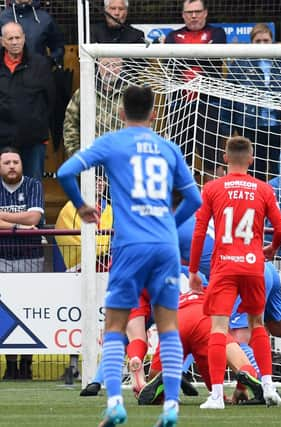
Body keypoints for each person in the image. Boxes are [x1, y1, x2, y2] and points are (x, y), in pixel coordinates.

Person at [57, 85, 202, 427]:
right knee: (168, 328)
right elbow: (194, 199)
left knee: (115, 327)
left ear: (121, 113)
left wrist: (81, 205)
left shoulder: (112, 142)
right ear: (154, 114)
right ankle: (171, 408)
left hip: (130, 245)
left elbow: (64, 172)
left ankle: (115, 403)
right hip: (166, 246)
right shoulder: (169, 147)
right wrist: (168, 223)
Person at [189, 135, 281, 409]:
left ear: (224, 158)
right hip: (254, 264)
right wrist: (271, 249)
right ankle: (268, 386)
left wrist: (195, 270)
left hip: (224, 265)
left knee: (218, 328)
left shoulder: (211, 188)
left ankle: (218, 396)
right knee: (258, 324)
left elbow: (199, 232)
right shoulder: (264, 189)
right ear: (252, 159)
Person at [225, 24, 281, 182]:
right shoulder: (240, 63)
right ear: (251, 43)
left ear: (272, 41)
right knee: (255, 172)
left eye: (266, 41)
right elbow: (229, 96)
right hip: (251, 126)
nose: (262, 45)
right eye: (258, 41)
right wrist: (227, 127)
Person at [164, 0, 228, 181]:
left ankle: (213, 206)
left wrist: (184, 57)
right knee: (179, 163)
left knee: (213, 164)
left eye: (198, 11)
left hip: (209, 107)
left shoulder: (217, 33)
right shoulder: (173, 36)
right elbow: (172, 65)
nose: (194, 16)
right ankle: (181, 207)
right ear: (183, 15)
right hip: (180, 107)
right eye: (189, 12)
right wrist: (201, 56)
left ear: (205, 13)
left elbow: (213, 61)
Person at [0, 147, 43, 381]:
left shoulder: (33, 185)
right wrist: (19, 226)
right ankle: (11, 365)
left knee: (30, 310)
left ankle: (28, 364)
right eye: (6, 162)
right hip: (2, 257)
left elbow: (34, 217)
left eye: (15, 161)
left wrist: (3, 218)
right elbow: (26, 219)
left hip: (31, 256)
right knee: (5, 312)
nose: (12, 166)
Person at [0, 22, 55, 180]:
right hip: (2, 140)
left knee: (33, 186)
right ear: (2, 41)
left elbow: (50, 99)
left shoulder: (40, 64)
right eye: (10, 38)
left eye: (18, 37)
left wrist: (39, 125)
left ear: (24, 38)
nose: (15, 42)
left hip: (33, 140)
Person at [63, 58, 124, 157]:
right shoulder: (84, 91)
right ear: (99, 65)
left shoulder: (133, 93)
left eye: (115, 65)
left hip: (122, 164)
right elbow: (70, 124)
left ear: (122, 66)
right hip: (91, 162)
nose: (111, 70)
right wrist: (78, 156)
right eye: (106, 65)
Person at [54, 176, 112, 272]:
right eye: (96, 179)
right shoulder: (71, 206)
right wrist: (96, 250)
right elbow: (66, 238)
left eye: (103, 180)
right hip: (75, 268)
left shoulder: (108, 209)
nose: (101, 183)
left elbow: (110, 239)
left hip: (102, 265)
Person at [0, 0, 64, 66]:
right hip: (9, 74)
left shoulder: (45, 18)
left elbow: (58, 47)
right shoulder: (2, 18)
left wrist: (47, 63)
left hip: (38, 73)